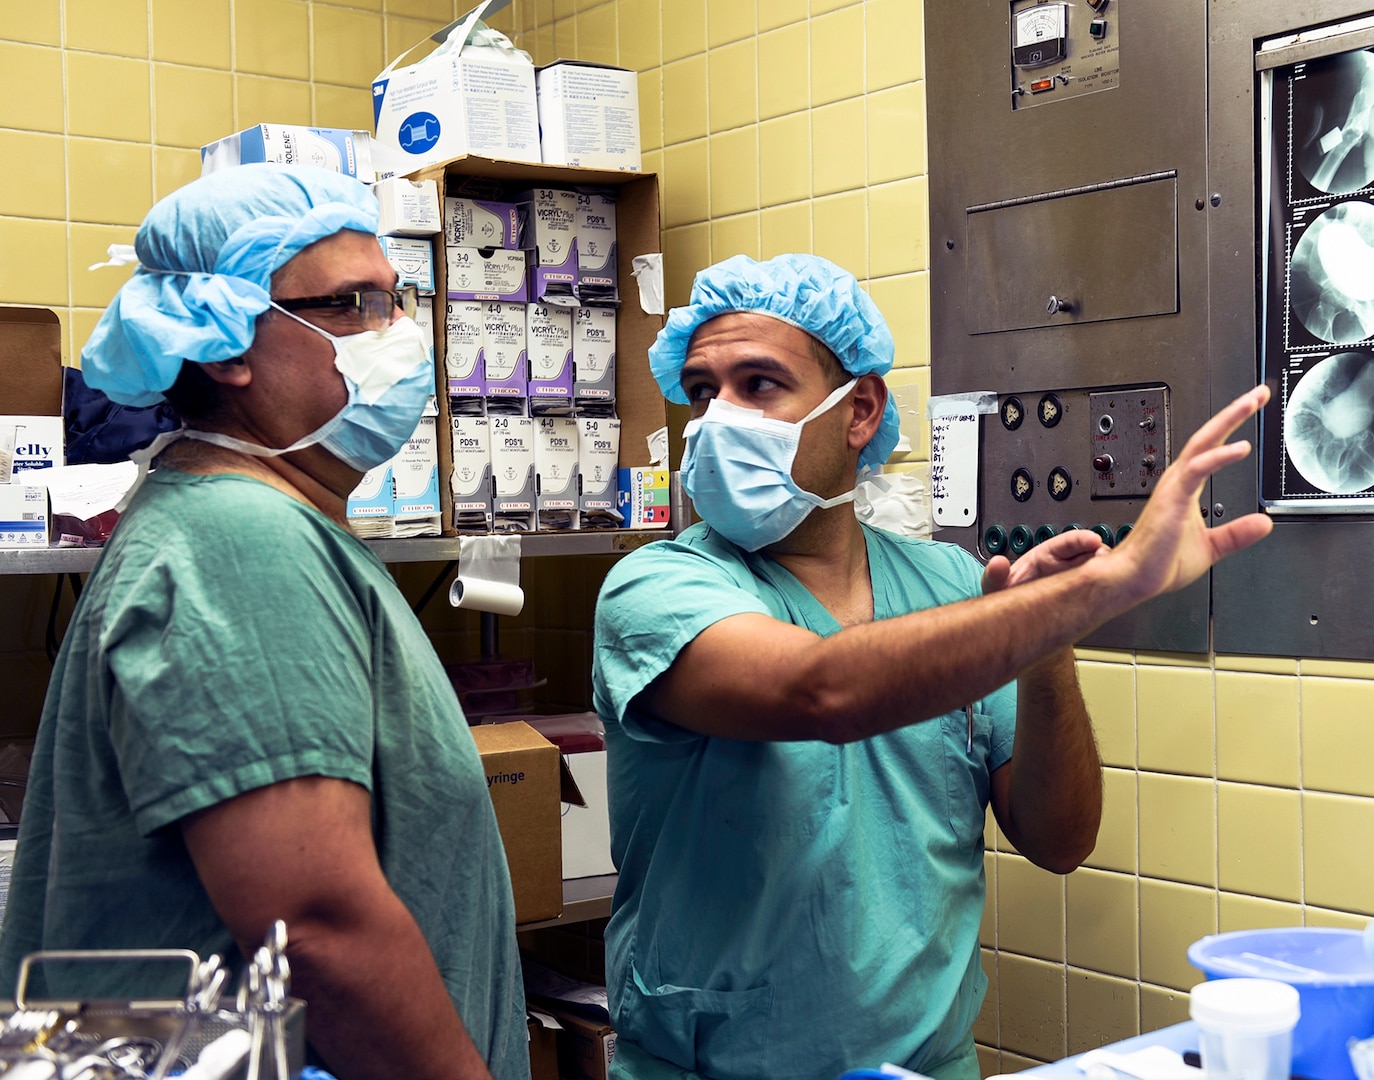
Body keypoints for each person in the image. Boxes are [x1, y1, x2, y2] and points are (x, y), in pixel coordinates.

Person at [591, 254, 1273, 1080]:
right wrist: (1104, 586)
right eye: (702, 391)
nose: (717, 418)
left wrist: (1043, 645)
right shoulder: (659, 588)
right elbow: (820, 691)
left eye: (759, 385)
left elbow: (1059, 840)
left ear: (858, 411)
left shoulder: (950, 588)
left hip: (925, 1067)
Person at [0, 165, 527, 1080]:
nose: (398, 337)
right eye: (352, 305)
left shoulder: (261, 526)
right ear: (223, 346)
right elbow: (317, 932)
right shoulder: (238, 543)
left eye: (396, 301)